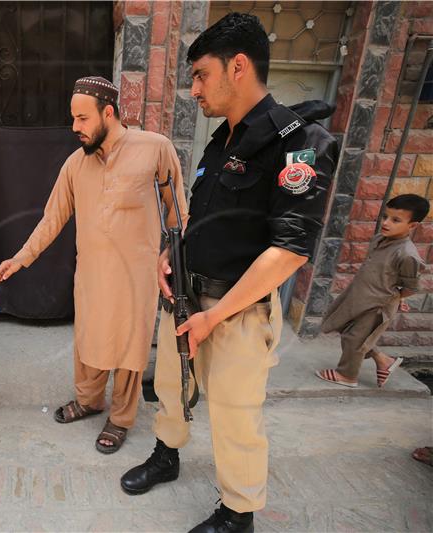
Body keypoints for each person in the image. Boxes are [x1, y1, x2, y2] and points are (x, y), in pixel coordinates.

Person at [119, 13, 339, 533]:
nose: (193, 88)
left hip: (236, 312)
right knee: (171, 386)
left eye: (201, 75)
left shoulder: (299, 142)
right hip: (188, 301)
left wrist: (215, 316)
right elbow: (205, 214)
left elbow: (289, 252)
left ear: (238, 67)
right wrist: (170, 256)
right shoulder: (223, 141)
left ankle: (238, 512)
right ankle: (166, 456)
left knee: (236, 415)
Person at [0, 76, 187, 454]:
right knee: (90, 342)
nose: (74, 127)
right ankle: (89, 400)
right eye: (73, 119)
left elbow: (177, 210)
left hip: (137, 278)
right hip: (93, 276)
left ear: (108, 113)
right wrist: (19, 259)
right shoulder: (75, 165)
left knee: (130, 350)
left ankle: (121, 418)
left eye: (82, 119)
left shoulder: (155, 150)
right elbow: (51, 219)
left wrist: (171, 256)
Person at [316, 194, 428, 388]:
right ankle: (384, 360)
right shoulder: (381, 239)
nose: (386, 223)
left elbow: (411, 287)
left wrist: (397, 297)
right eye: (385, 217)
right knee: (349, 330)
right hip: (360, 297)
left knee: (355, 339)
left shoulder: (407, 255)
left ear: (413, 226)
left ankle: (347, 376)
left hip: (378, 304)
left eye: (395, 220)